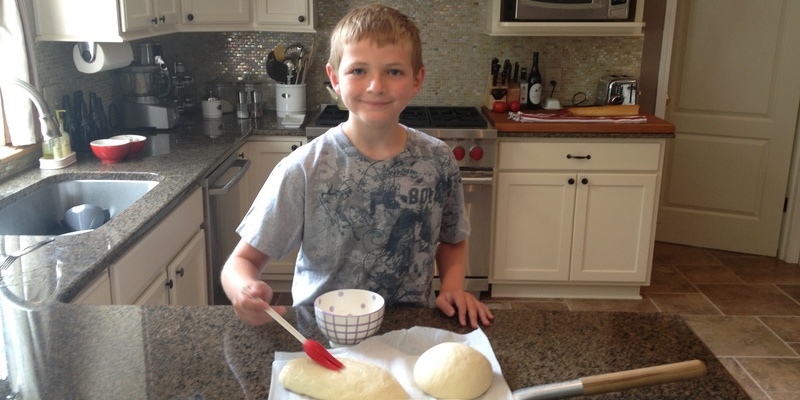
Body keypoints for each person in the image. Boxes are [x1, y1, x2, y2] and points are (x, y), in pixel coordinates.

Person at [221, 3, 494, 329]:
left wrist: (451, 288)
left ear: (416, 79)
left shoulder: (437, 159)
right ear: (335, 78)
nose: (375, 86)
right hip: (323, 334)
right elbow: (241, 261)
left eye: (393, 71)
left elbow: (452, 239)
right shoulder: (304, 168)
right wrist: (242, 289)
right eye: (358, 71)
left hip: (410, 332)